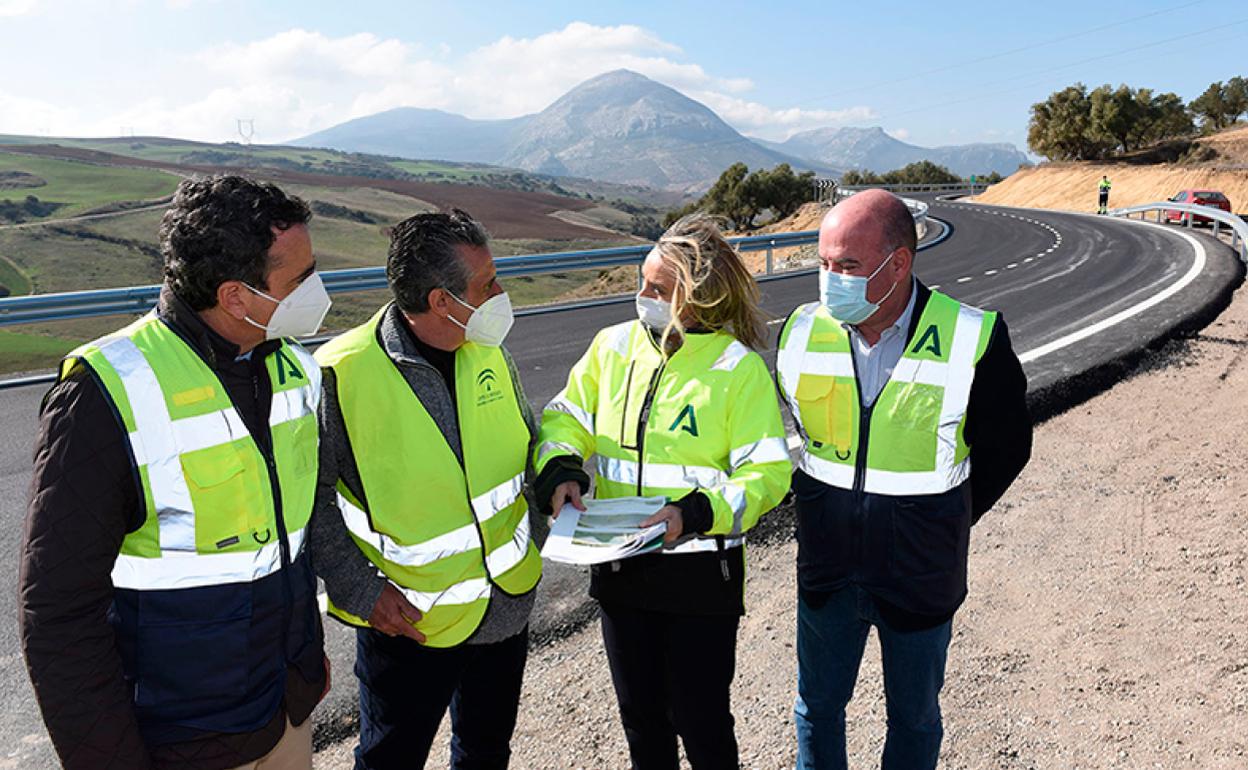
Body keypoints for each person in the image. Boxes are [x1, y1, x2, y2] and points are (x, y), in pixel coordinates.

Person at [20, 175, 332, 769]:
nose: (319, 290)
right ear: (236, 297)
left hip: (283, 709)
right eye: (301, 279)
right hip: (182, 740)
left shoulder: (292, 365)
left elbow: (291, 536)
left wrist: (304, 661)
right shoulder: (104, 392)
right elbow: (58, 614)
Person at [776, 189, 1032, 770]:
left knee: (914, 719)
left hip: (919, 572)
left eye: (848, 266)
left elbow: (1007, 447)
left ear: (898, 265)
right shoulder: (798, 331)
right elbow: (797, 433)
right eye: (823, 263)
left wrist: (939, 519)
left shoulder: (974, 337)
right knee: (816, 708)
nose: (830, 279)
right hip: (827, 569)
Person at [534, 214, 792, 769]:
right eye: (642, 281)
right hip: (620, 568)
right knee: (642, 723)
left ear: (697, 296)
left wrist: (695, 513)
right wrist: (561, 469)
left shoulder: (736, 369)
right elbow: (565, 418)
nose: (642, 296)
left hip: (700, 574)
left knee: (701, 723)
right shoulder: (612, 347)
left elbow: (769, 474)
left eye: (658, 288)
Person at [311, 209, 542, 770]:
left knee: (486, 753)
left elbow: (528, 441)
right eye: (487, 284)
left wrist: (550, 494)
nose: (500, 293)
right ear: (442, 301)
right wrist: (363, 594)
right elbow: (312, 503)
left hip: (505, 606)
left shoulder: (487, 345)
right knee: (390, 759)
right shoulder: (341, 373)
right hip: (407, 624)